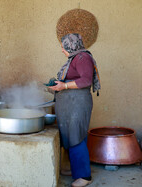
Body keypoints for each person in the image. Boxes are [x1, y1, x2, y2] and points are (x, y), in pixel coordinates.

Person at [48, 33, 101, 187]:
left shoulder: (83, 58)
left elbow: (85, 80)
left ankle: (84, 176)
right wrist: (57, 86)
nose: (62, 50)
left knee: (76, 136)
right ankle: (75, 170)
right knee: (71, 136)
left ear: (71, 45)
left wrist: (64, 86)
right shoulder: (75, 58)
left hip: (78, 104)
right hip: (70, 104)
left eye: (63, 47)